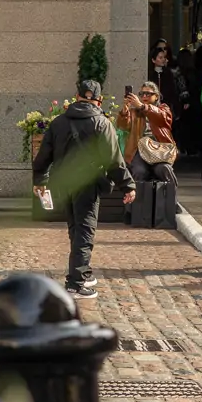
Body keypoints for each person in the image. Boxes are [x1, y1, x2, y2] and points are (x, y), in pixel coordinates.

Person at [32, 77, 135, 298]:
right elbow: (114, 160)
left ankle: (83, 272)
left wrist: (40, 181)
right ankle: (76, 283)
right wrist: (127, 186)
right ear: (98, 101)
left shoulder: (58, 122)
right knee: (85, 231)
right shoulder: (102, 123)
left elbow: (43, 157)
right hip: (88, 184)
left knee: (75, 228)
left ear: (78, 97)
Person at [117, 80, 178, 225]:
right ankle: (131, 211)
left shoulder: (163, 108)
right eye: (141, 94)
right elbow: (122, 125)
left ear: (156, 96)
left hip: (159, 151)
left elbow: (164, 119)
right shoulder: (135, 111)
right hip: (139, 151)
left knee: (165, 169)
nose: (144, 96)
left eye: (148, 94)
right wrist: (125, 109)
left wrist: (143, 107)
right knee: (138, 171)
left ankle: (172, 203)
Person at [149, 41, 185, 124]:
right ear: (153, 60)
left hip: (166, 110)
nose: (163, 60)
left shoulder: (168, 74)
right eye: (160, 58)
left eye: (164, 58)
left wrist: (176, 110)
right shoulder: (150, 75)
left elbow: (173, 93)